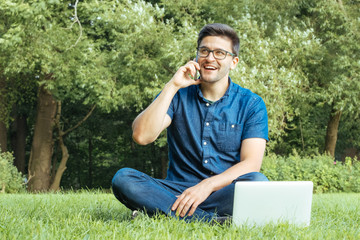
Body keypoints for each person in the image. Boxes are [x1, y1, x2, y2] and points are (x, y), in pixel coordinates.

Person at [112, 23, 269, 223]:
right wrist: (172, 85)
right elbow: (142, 136)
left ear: (234, 62)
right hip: (176, 191)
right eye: (204, 51)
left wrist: (206, 186)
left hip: (221, 191)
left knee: (257, 182)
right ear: (196, 56)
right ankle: (214, 221)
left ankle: (164, 211)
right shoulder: (178, 95)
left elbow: (251, 164)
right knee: (124, 179)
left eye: (220, 53)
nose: (210, 58)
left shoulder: (251, 104)